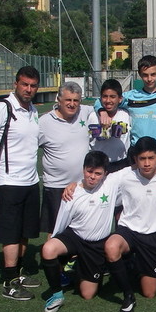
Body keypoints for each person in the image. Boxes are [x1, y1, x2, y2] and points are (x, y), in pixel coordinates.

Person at [0, 65, 42, 301]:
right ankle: (9, 281)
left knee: (25, 232)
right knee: (11, 233)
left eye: (33, 85)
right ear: (16, 84)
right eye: (25, 84)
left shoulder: (33, 110)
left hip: (31, 181)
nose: (29, 89)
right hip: (9, 181)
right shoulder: (2, 108)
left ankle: (19, 272)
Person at [104, 136, 156, 312]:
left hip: (153, 236)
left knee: (150, 293)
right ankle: (128, 295)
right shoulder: (124, 176)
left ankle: (132, 265)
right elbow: (97, 178)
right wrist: (76, 184)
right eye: (142, 159)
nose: (146, 163)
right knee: (111, 247)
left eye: (151, 158)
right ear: (135, 159)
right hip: (128, 231)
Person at [40, 151, 118, 312]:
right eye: (89, 171)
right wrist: (58, 252)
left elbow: (135, 167)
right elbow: (61, 223)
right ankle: (57, 294)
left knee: (88, 295)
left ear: (105, 174)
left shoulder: (111, 183)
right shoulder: (72, 192)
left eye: (98, 173)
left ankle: (78, 265)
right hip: (75, 236)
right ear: (83, 169)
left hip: (95, 244)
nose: (92, 177)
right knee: (48, 249)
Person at [38, 81, 97, 239]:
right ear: (58, 100)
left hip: (82, 186)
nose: (72, 104)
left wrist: (103, 111)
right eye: (68, 100)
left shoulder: (85, 112)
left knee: (81, 227)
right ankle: (52, 262)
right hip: (56, 186)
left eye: (76, 100)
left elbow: (103, 102)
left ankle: (75, 262)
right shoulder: (43, 122)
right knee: (55, 229)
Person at [92, 78, 132, 172]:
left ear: (120, 99)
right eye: (105, 96)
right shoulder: (92, 115)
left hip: (121, 163)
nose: (108, 100)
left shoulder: (127, 114)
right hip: (97, 164)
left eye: (113, 97)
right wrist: (101, 112)